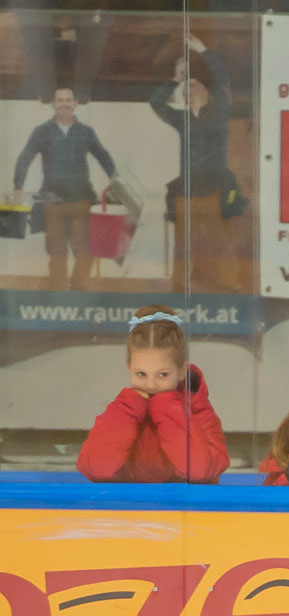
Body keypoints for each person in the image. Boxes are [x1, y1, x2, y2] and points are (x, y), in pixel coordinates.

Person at [77, 306, 230, 484]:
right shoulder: (122, 411)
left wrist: (167, 406)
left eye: (163, 375)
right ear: (129, 367)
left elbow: (199, 471)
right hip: (129, 502)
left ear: (181, 370)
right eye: (141, 374)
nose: (151, 385)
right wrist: (128, 409)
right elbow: (95, 468)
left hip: (182, 503)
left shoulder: (199, 413)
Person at [150, 33, 242, 292]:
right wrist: (176, 78)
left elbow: (222, 80)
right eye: (187, 85)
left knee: (221, 243)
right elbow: (155, 102)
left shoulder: (219, 113)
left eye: (195, 83)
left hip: (213, 192)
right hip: (186, 194)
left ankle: (231, 287)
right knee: (183, 247)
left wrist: (203, 50)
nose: (190, 86)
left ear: (207, 94)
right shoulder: (181, 119)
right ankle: (179, 290)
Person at [10, 85, 116, 290]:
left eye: (68, 100)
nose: (64, 104)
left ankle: (78, 291)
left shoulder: (86, 132)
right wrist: (18, 187)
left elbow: (103, 156)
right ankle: (58, 296)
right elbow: (24, 159)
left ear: (75, 103)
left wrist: (115, 180)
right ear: (53, 104)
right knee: (57, 254)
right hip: (53, 204)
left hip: (81, 202)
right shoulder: (42, 131)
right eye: (60, 100)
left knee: (85, 252)